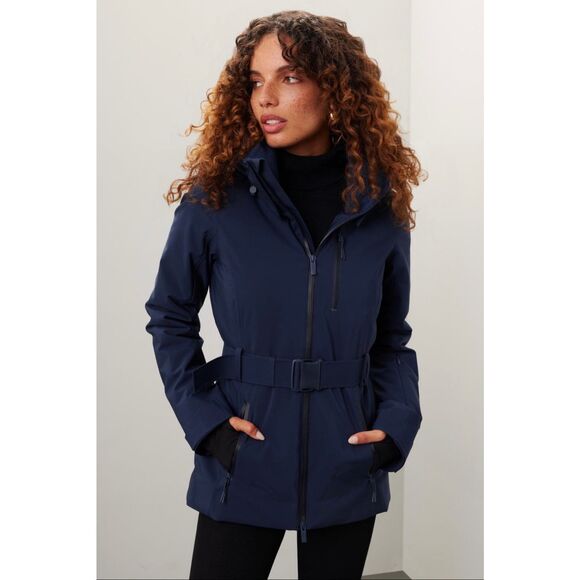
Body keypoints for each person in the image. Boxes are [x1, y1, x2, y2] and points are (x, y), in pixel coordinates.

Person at [144, 10, 425, 580]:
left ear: (336, 88)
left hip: (347, 456)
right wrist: (208, 426)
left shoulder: (378, 205)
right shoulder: (215, 199)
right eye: (255, 81)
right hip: (246, 455)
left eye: (290, 77)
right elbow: (169, 316)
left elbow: (391, 338)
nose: (266, 98)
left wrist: (395, 429)